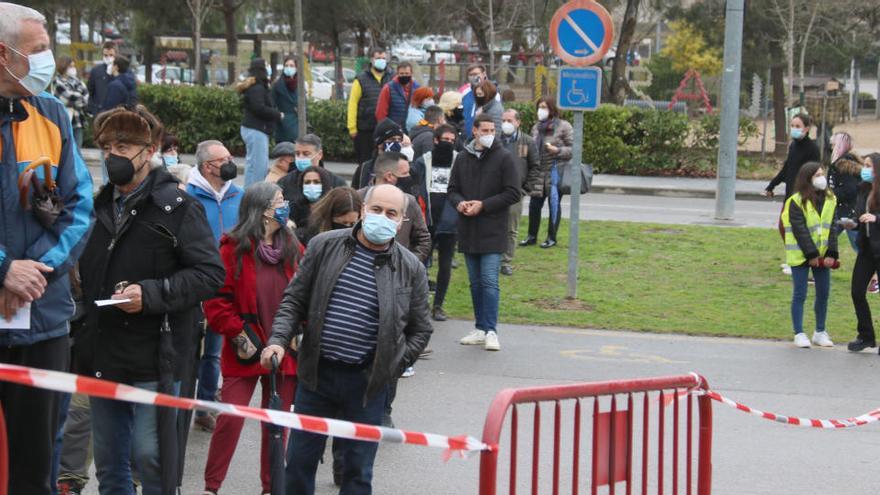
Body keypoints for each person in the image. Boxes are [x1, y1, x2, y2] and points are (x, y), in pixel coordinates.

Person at [77, 105, 224, 494]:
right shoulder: (95, 207)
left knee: (150, 457)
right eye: (106, 146)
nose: (114, 155)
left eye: (123, 145)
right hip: (103, 354)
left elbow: (210, 274)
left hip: (156, 356)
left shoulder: (178, 207)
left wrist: (152, 294)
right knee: (109, 466)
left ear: (150, 149)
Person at [261, 183, 432, 494]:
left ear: (402, 221)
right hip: (316, 376)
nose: (382, 216)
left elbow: (421, 329)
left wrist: (391, 366)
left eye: (391, 213)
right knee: (298, 463)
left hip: (368, 385)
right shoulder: (324, 246)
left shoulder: (411, 268)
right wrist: (277, 340)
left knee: (357, 472)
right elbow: (294, 300)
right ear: (363, 210)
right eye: (376, 209)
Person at [0, 5, 95, 492]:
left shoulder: (51, 113)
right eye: (38, 51)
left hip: (42, 322)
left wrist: (34, 272)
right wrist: (2, 270)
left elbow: (81, 207)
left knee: (36, 469)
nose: (48, 61)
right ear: (3, 53)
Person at [202, 182, 302, 495]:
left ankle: (272, 488)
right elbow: (216, 302)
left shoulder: (294, 247)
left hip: (284, 348)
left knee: (276, 425)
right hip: (245, 347)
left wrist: (294, 336)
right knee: (230, 419)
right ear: (261, 209)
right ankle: (211, 487)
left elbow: (307, 295)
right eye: (278, 201)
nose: (284, 206)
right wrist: (241, 336)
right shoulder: (232, 247)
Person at [448, 114, 521, 352]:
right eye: (485, 130)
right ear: (475, 131)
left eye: (493, 130)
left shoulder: (504, 158)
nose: (489, 134)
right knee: (475, 283)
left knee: (490, 281)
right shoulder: (462, 158)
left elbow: (513, 192)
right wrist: (460, 203)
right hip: (469, 229)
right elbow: (452, 189)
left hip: (492, 229)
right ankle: (480, 327)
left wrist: (484, 205)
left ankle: (491, 330)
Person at [186, 139, 244, 433]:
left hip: (226, 285)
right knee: (188, 349)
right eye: (225, 158)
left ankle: (205, 405)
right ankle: (182, 404)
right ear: (209, 167)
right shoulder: (188, 197)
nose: (231, 162)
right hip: (195, 283)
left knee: (214, 350)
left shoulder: (239, 195)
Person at [780, 161, 838, 348]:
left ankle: (820, 331)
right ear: (807, 179)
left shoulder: (830, 199)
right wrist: (811, 254)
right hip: (800, 256)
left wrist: (832, 253)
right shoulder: (796, 201)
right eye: (817, 175)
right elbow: (800, 230)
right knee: (800, 294)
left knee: (823, 293)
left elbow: (832, 228)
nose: (821, 178)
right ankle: (799, 333)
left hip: (822, 255)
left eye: (822, 174)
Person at [413, 124, 459, 321]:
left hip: (451, 222)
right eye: (444, 140)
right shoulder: (424, 161)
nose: (448, 144)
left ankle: (438, 305)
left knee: (445, 265)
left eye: (451, 140)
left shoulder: (460, 160)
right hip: (427, 220)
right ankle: (420, 305)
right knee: (421, 264)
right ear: (435, 140)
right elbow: (415, 184)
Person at [765, 113, 821, 274]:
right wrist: (772, 185)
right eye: (792, 126)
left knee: (797, 229)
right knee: (784, 228)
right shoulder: (793, 146)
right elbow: (787, 169)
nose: (794, 129)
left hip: (803, 196)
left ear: (807, 129)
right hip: (790, 194)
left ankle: (800, 262)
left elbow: (814, 172)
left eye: (798, 126)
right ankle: (794, 259)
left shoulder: (812, 149)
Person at [358, 151, 431, 263]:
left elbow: (423, 239)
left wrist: (409, 264)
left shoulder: (409, 202)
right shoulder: (357, 198)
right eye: (405, 173)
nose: (409, 177)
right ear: (389, 176)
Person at [521, 97, 573, 249]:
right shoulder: (536, 127)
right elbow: (530, 145)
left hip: (555, 171)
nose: (541, 110)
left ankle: (551, 237)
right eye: (539, 107)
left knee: (554, 204)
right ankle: (531, 236)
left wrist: (558, 150)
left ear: (552, 109)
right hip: (538, 172)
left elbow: (573, 148)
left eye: (544, 107)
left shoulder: (564, 126)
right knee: (534, 205)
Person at [499, 109, 539, 276]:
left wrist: (525, 189)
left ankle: (506, 261)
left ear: (518, 122)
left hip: (515, 192)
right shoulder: (496, 140)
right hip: (495, 190)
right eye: (503, 120)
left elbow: (535, 166)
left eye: (509, 120)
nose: (506, 124)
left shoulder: (527, 142)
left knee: (511, 228)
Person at [848, 153, 880, 352]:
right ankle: (866, 335)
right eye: (864, 165)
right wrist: (853, 222)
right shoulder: (862, 188)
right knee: (857, 291)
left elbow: (874, 216)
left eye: (869, 166)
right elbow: (860, 215)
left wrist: (876, 218)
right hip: (867, 248)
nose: (865, 169)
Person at [238, 58, 282, 187]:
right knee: (259, 166)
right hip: (257, 129)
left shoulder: (253, 86)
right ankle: (255, 195)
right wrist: (277, 114)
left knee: (252, 165)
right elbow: (259, 108)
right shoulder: (258, 88)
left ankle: (249, 193)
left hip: (252, 128)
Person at [347, 48, 393, 164]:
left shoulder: (392, 77)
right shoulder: (361, 79)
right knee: (365, 162)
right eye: (378, 58)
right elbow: (353, 103)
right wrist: (352, 127)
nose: (381, 61)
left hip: (386, 129)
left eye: (383, 58)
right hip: (365, 128)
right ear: (371, 60)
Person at [827, 132, 862, 253]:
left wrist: (828, 194)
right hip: (845, 210)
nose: (831, 148)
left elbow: (849, 189)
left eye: (833, 145)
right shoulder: (845, 164)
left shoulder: (843, 165)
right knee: (824, 241)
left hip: (847, 212)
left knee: (860, 248)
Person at [282, 165, 334, 243]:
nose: (311, 185)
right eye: (307, 182)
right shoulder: (296, 206)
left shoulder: (332, 207)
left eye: (316, 182)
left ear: (324, 184)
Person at [351, 118, 404, 189]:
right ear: (379, 143)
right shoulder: (364, 169)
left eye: (399, 140)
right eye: (392, 139)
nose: (397, 143)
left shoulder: (405, 168)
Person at [52, 55, 88, 148]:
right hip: (63, 121)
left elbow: (86, 97)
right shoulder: (57, 82)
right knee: (65, 149)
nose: (73, 69)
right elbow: (66, 99)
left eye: (74, 66)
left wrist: (77, 98)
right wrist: (79, 96)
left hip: (78, 121)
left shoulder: (78, 81)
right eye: (71, 66)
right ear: (64, 66)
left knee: (77, 151)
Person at [375, 61, 419, 128]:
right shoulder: (388, 88)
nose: (404, 76)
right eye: (401, 73)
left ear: (411, 73)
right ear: (397, 74)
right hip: (393, 128)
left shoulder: (417, 88)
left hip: (411, 128)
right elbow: (381, 112)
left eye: (407, 73)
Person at [272, 55, 300, 144]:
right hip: (282, 126)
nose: (288, 68)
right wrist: (279, 115)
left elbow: (305, 105)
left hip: (297, 124)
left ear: (297, 68)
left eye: (291, 66)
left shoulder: (300, 85)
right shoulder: (277, 84)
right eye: (286, 65)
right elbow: (271, 103)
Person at [86, 40, 116, 117]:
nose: (108, 57)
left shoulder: (122, 71)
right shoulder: (96, 71)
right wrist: (92, 109)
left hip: (117, 111)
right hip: (99, 111)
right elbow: (90, 90)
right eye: (105, 55)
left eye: (111, 55)